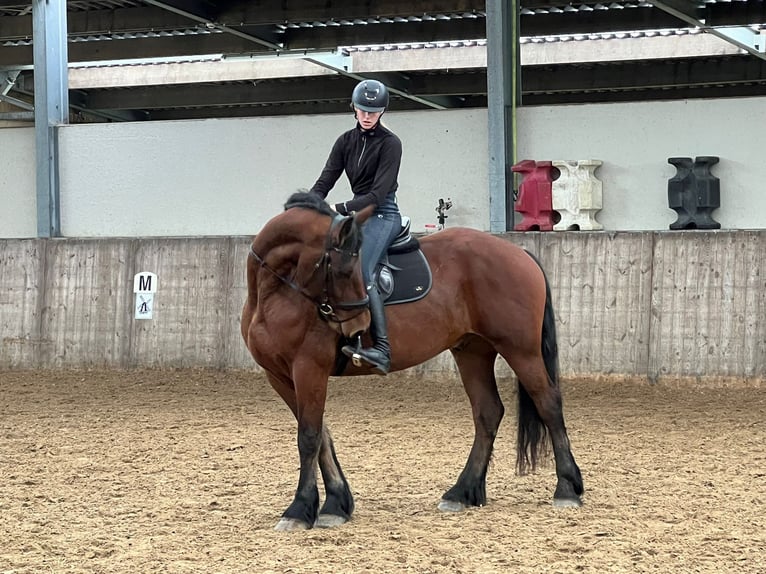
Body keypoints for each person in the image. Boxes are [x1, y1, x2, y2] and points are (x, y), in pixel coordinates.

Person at [309, 79, 402, 375]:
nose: (367, 115)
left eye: (373, 111)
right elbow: (326, 180)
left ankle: (382, 349)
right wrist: (307, 205)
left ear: (382, 112)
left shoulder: (391, 144)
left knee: (362, 271)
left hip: (382, 213)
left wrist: (338, 209)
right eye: (362, 109)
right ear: (354, 108)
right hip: (356, 215)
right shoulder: (345, 141)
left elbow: (377, 195)